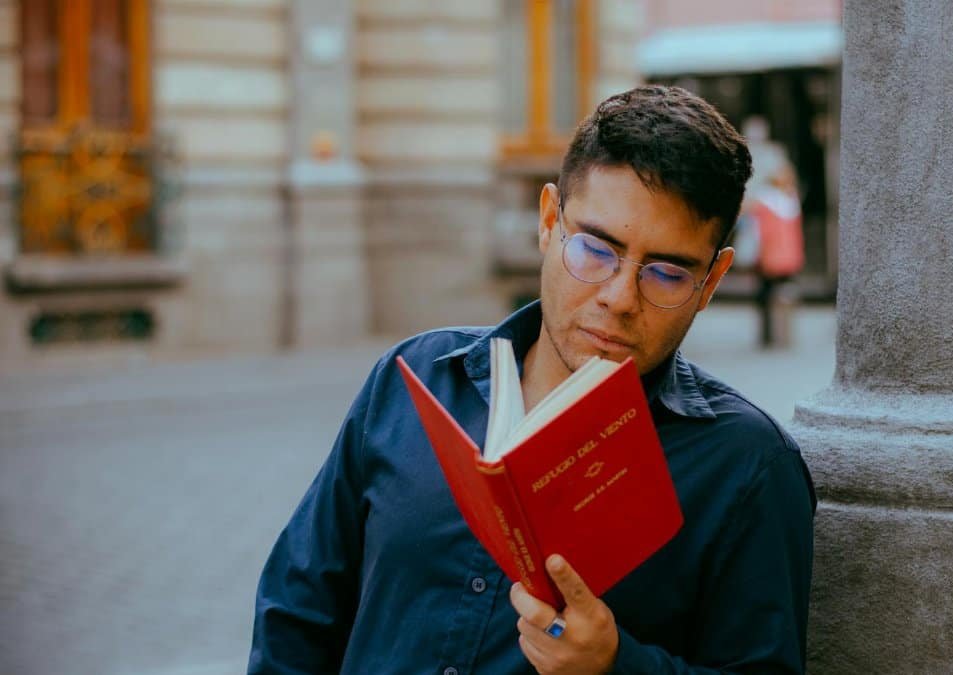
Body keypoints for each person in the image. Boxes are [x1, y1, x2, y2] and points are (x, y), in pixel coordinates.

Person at [249, 85, 816, 674]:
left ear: (713, 281)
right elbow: (298, 608)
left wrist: (616, 665)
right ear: (550, 222)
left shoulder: (747, 465)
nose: (619, 299)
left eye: (668, 274)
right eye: (597, 250)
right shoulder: (413, 379)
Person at [738, 117, 805, 349]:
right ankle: (777, 334)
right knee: (776, 291)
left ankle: (771, 334)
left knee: (768, 292)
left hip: (770, 250)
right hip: (780, 252)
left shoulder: (767, 198)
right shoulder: (787, 199)